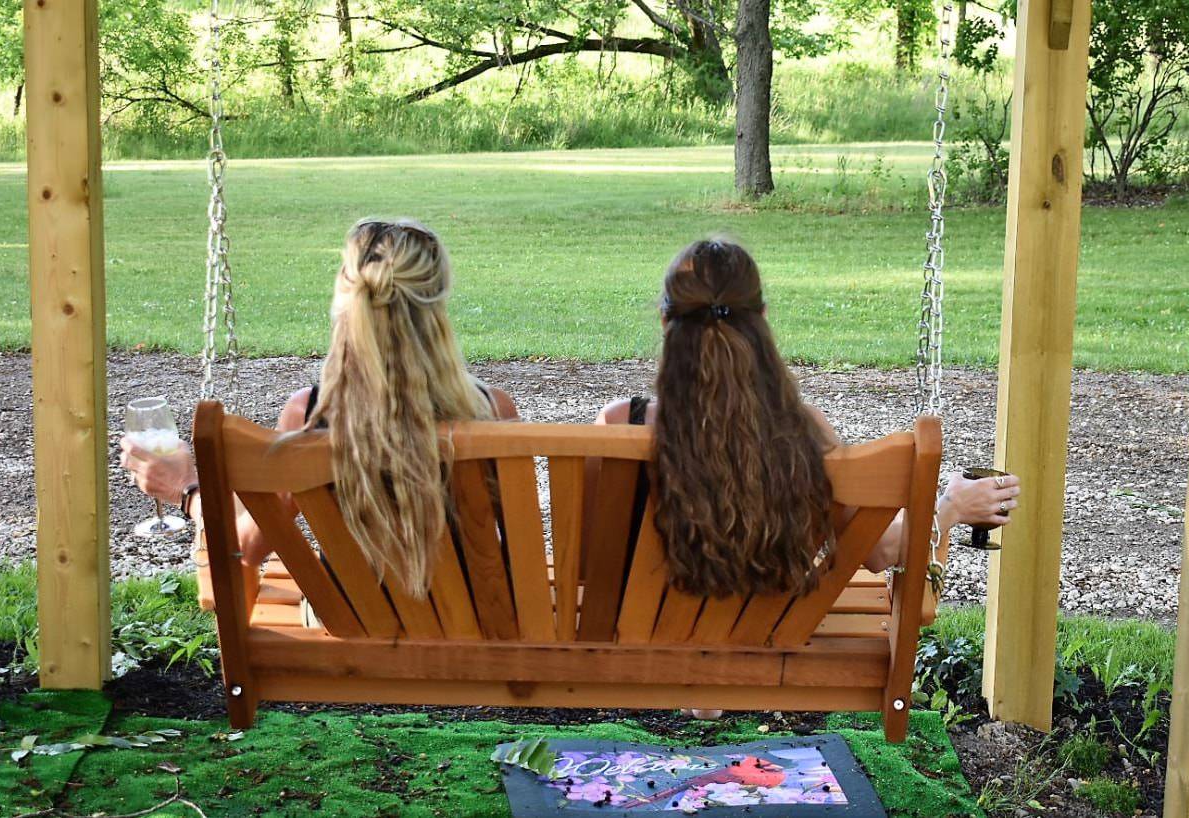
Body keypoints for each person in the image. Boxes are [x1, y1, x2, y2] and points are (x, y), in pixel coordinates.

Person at [597, 239, 1018, 717]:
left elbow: (600, 563)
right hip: (763, 630)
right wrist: (951, 507)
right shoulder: (803, 433)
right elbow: (879, 551)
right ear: (761, 320)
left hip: (642, 633)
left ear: (665, 321)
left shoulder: (618, 424)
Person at [122, 218, 517, 596]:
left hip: (355, 640)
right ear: (437, 304)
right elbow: (514, 548)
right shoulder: (494, 410)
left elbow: (245, 547)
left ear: (344, 297)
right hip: (481, 640)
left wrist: (186, 488)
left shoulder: (309, 415)